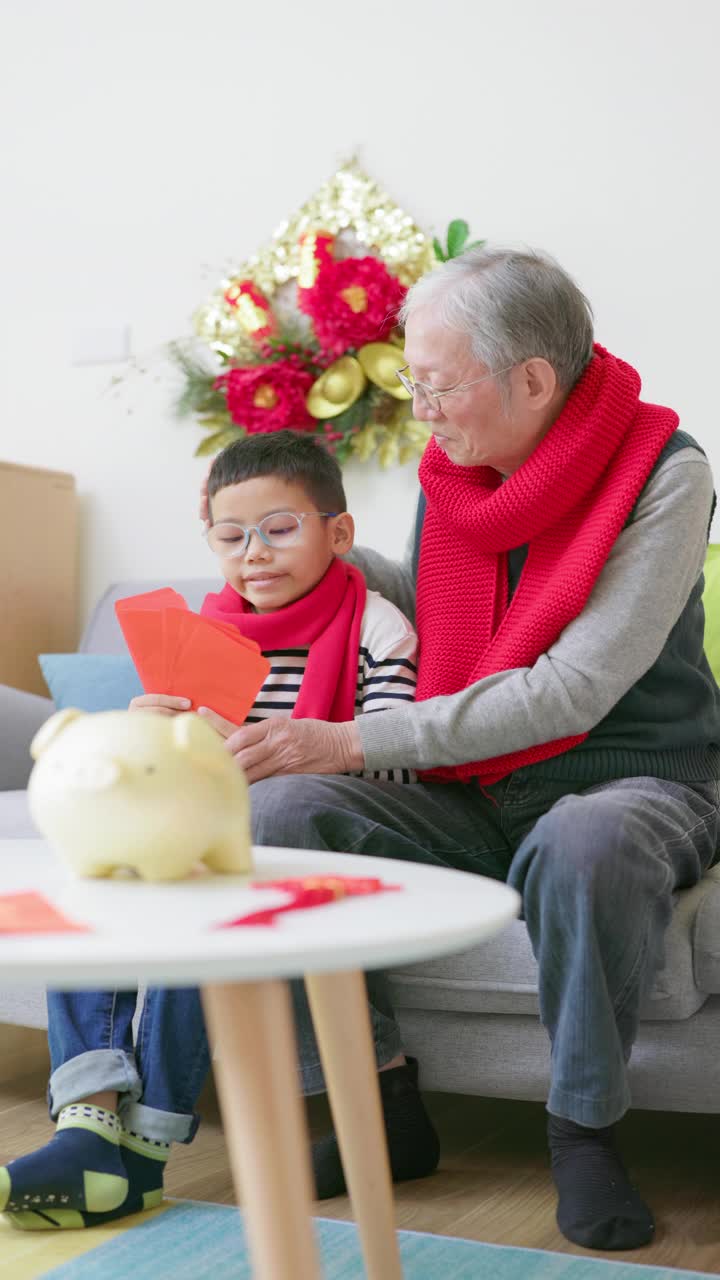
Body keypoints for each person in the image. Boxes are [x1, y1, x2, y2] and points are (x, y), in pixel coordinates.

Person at [198, 247, 719, 1253]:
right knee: (284, 808)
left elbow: (572, 686)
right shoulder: (457, 474)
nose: (421, 408)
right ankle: (380, 1103)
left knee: (586, 838)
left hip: (635, 774)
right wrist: (300, 543)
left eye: (433, 383)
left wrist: (351, 737)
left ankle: (584, 1131)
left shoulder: (669, 473)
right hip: (482, 782)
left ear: (530, 379)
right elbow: (433, 602)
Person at [0, 431, 434, 1231]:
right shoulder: (203, 630)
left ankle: (142, 1152)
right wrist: (143, 737)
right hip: (188, 829)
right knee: (97, 880)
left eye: (280, 529)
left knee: (198, 901)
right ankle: (86, 1120)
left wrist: (304, 748)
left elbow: (399, 767)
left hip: (275, 837)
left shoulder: (378, 627)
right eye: (230, 538)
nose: (254, 555)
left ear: (338, 533)